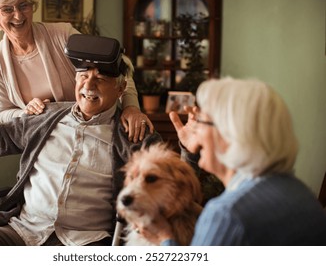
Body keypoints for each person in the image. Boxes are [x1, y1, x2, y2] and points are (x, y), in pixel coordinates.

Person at [0, 35, 162, 246]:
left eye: (101, 79)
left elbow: (174, 182)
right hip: (26, 230)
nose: (89, 86)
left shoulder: (134, 135)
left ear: (121, 88)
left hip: (86, 240)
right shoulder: (46, 116)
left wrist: (189, 150)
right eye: (84, 76)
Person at [135, 77, 326, 245]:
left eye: (201, 121)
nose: (195, 129)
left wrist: (165, 238)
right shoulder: (298, 191)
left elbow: (232, 221)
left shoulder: (227, 214)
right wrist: (195, 149)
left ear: (228, 135)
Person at [0, 0, 153, 142]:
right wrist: (25, 112)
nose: (18, 15)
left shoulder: (62, 35)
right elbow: (2, 113)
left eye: (24, 5)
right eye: (7, 9)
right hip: (47, 145)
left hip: (95, 134)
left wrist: (131, 107)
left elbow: (118, 68)